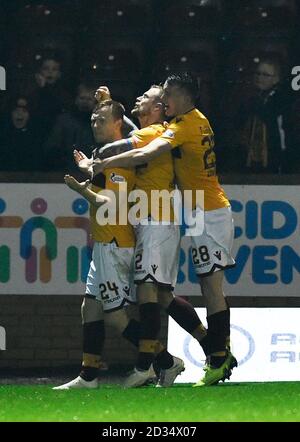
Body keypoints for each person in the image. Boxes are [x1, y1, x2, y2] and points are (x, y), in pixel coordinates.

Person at [92, 73, 238, 386]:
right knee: (169, 293)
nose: (163, 101)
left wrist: (103, 162)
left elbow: (145, 150)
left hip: (205, 210)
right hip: (199, 208)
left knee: (210, 288)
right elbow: (145, 137)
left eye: (166, 96)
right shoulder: (189, 121)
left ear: (181, 97)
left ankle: (216, 356)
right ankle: (211, 349)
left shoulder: (183, 126)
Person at [53, 99, 176, 390]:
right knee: (90, 308)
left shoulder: (120, 161)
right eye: (93, 119)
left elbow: (113, 203)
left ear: (117, 122)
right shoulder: (107, 157)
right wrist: (88, 172)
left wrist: (80, 190)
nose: (95, 124)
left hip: (115, 242)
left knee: (116, 316)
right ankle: (88, 376)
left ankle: (167, 362)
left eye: (102, 119)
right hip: (103, 242)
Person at [43, 82, 97, 171]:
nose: (85, 102)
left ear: (95, 103)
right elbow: (53, 147)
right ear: (76, 100)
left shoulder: (100, 122)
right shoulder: (63, 121)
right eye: (82, 98)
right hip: (66, 171)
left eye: (89, 99)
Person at [0, 95, 43, 171]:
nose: (20, 114)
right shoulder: (3, 137)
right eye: (16, 110)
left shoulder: (36, 139)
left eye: (24, 111)